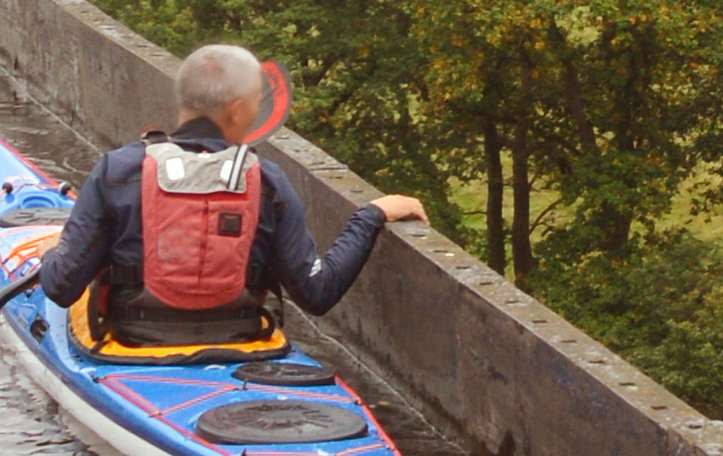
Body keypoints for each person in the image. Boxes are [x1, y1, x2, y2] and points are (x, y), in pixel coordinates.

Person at [28, 41, 425, 354]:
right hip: (241, 345)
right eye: (256, 103)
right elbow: (317, 292)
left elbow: (62, 287)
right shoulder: (266, 180)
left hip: (134, 346)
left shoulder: (118, 170)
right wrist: (370, 215)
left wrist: (51, 253)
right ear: (237, 110)